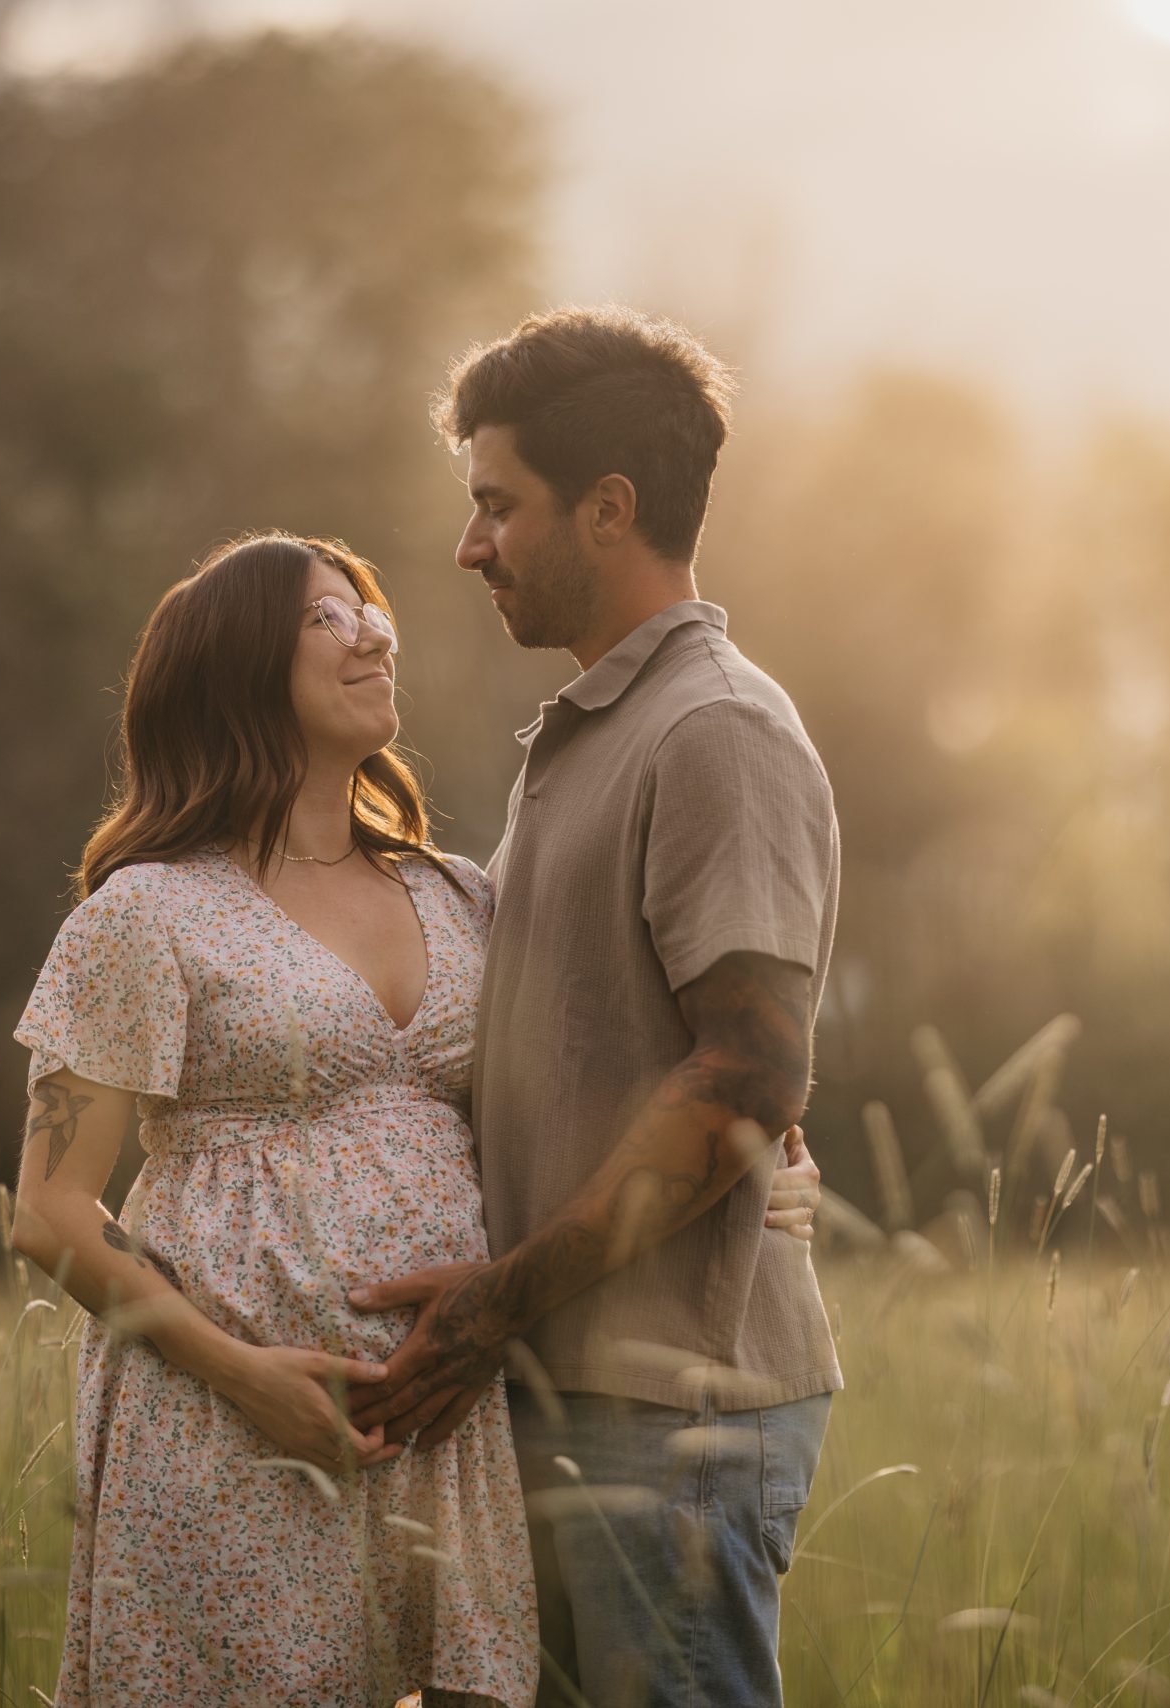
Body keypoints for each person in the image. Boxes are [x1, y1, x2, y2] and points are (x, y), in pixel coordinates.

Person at [6, 531, 822, 1707]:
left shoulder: (462, 894)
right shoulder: (147, 914)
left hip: (445, 1425)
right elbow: (48, 1211)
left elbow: (620, 1045)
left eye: (369, 610)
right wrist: (245, 1376)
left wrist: (769, 1124)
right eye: (325, 619)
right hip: (227, 1424)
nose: (375, 631)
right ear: (235, 670)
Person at [350, 307, 844, 1708]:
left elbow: (750, 1080)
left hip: (667, 1419)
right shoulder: (593, 735)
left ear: (609, 509)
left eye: (497, 506)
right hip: (568, 1402)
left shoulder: (715, 731)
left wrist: (492, 1305)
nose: (468, 547)